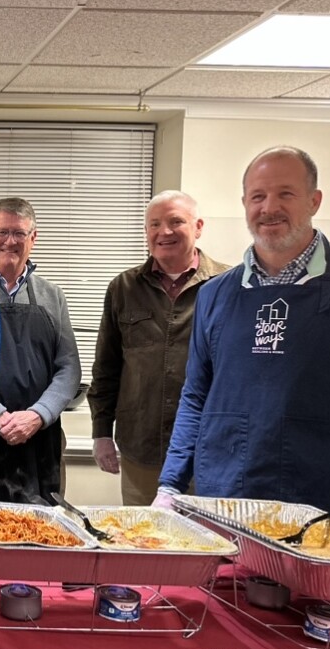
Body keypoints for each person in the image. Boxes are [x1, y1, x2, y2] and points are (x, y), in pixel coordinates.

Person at [156, 147, 330, 510]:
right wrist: (170, 484)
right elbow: (196, 395)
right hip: (228, 494)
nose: (269, 208)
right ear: (244, 203)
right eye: (258, 196)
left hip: (327, 504)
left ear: (314, 200)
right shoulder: (215, 294)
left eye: (286, 194)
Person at [88, 190, 230, 505]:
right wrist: (101, 433)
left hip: (206, 451)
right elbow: (107, 367)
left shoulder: (228, 285)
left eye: (175, 221)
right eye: (154, 224)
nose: (163, 232)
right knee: (142, 543)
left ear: (198, 227)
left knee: (204, 546)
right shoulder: (123, 288)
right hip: (141, 449)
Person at [0, 197, 80, 504]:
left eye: (19, 233)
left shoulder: (52, 295)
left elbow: (69, 369)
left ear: (33, 237)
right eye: (1, 232)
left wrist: (37, 415)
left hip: (41, 440)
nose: (10, 241)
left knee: (43, 534)